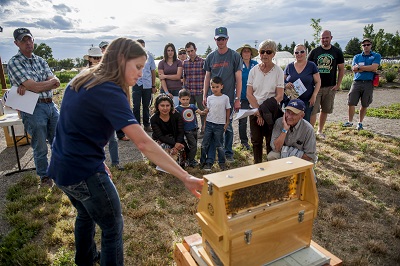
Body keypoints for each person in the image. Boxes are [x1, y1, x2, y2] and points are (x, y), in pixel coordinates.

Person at [46, 38, 203, 266]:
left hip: (61, 168)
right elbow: (144, 143)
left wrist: (98, 159)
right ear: (121, 59)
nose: (141, 73)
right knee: (112, 227)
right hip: (84, 172)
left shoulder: (83, 78)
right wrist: (185, 176)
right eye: (138, 66)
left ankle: (86, 259)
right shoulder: (109, 89)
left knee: (85, 214)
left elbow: (69, 126)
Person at [7, 28, 60, 186]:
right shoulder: (15, 62)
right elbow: (36, 87)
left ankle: (59, 171)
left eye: (29, 39)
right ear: (16, 43)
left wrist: (36, 85)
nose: (28, 43)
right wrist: (45, 84)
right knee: (40, 146)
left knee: (58, 141)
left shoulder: (40, 60)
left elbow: (56, 81)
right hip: (33, 108)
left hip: (50, 104)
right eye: (23, 40)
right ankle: (45, 177)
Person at [203, 27, 242, 162]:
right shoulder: (210, 57)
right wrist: (204, 95)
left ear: (227, 39)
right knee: (213, 125)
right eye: (218, 39)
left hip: (229, 97)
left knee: (228, 125)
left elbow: (238, 78)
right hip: (213, 98)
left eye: (223, 39)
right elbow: (207, 77)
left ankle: (228, 152)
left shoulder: (234, 56)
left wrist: (237, 98)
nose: (221, 41)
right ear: (215, 39)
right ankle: (212, 154)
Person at [246, 39, 284, 164]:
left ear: (274, 54)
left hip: (271, 111)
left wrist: (264, 110)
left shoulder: (278, 71)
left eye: (269, 52)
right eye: (262, 52)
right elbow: (249, 93)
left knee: (269, 140)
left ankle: (270, 167)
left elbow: (280, 95)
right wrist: (258, 111)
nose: (265, 55)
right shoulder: (253, 71)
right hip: (255, 110)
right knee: (256, 140)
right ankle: (257, 166)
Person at [308, 30, 345, 138]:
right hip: (315, 88)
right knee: (313, 111)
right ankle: (310, 133)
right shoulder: (314, 52)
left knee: (325, 110)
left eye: (326, 38)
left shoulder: (337, 52)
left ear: (331, 38)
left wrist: (338, 84)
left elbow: (341, 69)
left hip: (330, 87)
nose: (324, 40)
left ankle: (320, 131)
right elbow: (307, 67)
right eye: (322, 38)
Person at [343, 38, 381, 130]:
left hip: (368, 83)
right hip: (357, 82)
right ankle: (350, 121)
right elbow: (354, 69)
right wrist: (367, 68)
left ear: (371, 45)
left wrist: (360, 68)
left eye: (368, 44)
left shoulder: (376, 55)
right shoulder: (357, 57)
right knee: (351, 102)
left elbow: (374, 67)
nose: (366, 46)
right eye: (364, 45)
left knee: (364, 104)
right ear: (362, 46)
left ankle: (360, 123)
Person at [267, 99, 317, 163]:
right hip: (287, 154)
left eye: (294, 114)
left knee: (310, 162)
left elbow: (310, 156)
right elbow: (276, 148)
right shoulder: (279, 122)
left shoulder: (308, 129)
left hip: (300, 159)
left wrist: (287, 152)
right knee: (272, 156)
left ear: (302, 116)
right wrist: (285, 130)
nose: (289, 117)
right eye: (288, 112)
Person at [284, 44, 321, 122]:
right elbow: (281, 82)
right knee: (290, 121)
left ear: (306, 53)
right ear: (294, 54)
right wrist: (285, 85)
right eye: (296, 52)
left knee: (305, 121)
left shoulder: (311, 66)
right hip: (291, 101)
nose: (299, 54)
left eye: (302, 52)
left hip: (307, 100)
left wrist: (314, 96)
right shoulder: (289, 66)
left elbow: (318, 82)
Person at [200, 76, 230, 171]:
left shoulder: (225, 98)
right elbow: (207, 111)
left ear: (222, 86)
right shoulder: (209, 98)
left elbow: (228, 110)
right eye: (213, 87)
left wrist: (227, 122)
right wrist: (204, 124)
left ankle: (222, 162)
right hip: (209, 123)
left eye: (217, 87)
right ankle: (204, 162)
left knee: (219, 145)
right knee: (204, 144)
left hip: (219, 125)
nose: (215, 89)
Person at [150, 94, 188, 167]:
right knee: (164, 147)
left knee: (181, 150)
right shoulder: (154, 119)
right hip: (161, 140)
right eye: (162, 105)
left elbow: (181, 131)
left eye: (167, 105)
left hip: (176, 139)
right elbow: (160, 136)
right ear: (157, 106)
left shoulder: (176, 115)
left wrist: (177, 144)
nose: (165, 108)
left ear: (171, 106)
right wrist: (175, 144)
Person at [175, 89, 206, 167]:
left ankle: (190, 159)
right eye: (183, 99)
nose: (185, 101)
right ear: (179, 99)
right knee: (194, 145)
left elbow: (200, 112)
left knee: (193, 145)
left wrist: (205, 111)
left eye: (187, 99)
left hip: (195, 128)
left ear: (190, 98)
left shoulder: (192, 106)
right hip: (187, 130)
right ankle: (190, 160)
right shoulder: (178, 108)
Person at [236, 43, 259, 150]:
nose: (246, 53)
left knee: (255, 118)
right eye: (244, 51)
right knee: (243, 121)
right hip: (243, 96)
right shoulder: (238, 64)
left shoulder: (256, 64)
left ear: (251, 53)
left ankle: (255, 139)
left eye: (248, 51)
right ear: (241, 53)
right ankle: (244, 141)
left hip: (255, 96)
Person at [132, 39, 156, 132]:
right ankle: (137, 126)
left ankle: (147, 124)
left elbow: (153, 71)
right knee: (136, 106)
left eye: (142, 45)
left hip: (147, 84)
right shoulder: (132, 57)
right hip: (136, 84)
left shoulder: (149, 56)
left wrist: (153, 85)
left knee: (146, 105)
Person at [183, 42, 206, 138]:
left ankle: (204, 130)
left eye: (191, 51)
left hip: (200, 91)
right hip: (189, 92)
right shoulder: (185, 63)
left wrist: (205, 90)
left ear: (195, 49)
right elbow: (184, 77)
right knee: (190, 112)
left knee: (202, 111)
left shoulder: (203, 61)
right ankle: (193, 130)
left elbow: (207, 76)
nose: (190, 53)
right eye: (188, 51)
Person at [158, 43, 183, 107]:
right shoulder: (161, 63)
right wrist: (167, 92)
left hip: (177, 89)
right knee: (164, 109)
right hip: (165, 90)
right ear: (165, 52)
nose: (170, 52)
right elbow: (162, 79)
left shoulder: (179, 62)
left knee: (176, 109)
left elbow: (178, 76)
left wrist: (165, 76)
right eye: (168, 50)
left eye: (172, 50)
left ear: (174, 51)